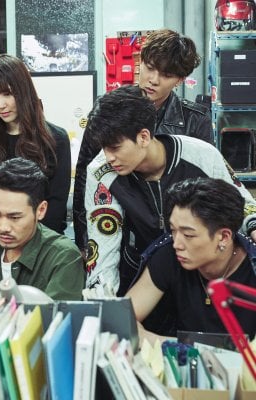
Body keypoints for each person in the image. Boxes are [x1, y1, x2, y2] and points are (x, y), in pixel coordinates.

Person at [83, 85, 256, 300]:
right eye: (103, 148)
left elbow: (242, 203)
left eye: (115, 148)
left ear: (143, 137)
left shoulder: (202, 156)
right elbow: (102, 245)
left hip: (201, 276)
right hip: (140, 275)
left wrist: (253, 226)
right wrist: (102, 300)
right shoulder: (101, 173)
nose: (108, 157)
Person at [73, 28, 212, 251]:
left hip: (178, 236)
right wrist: (84, 242)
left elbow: (207, 187)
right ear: (141, 62)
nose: (153, 80)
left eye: (166, 75)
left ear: (180, 80)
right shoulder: (108, 109)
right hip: (119, 233)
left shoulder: (195, 120)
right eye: (150, 67)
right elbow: (84, 176)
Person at [127, 177, 256, 342]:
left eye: (188, 235)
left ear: (224, 237)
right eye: (173, 230)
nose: (177, 244)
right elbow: (124, 319)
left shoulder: (251, 268)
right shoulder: (169, 255)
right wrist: (177, 347)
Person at [0, 54, 70, 246]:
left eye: (7, 94)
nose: (0, 105)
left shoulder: (55, 140)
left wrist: (30, 251)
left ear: (23, 91)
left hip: (42, 249)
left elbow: (56, 206)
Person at [0, 158, 84, 310]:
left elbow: (55, 319)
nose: (3, 227)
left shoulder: (63, 257)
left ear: (41, 210)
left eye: (14, 217)